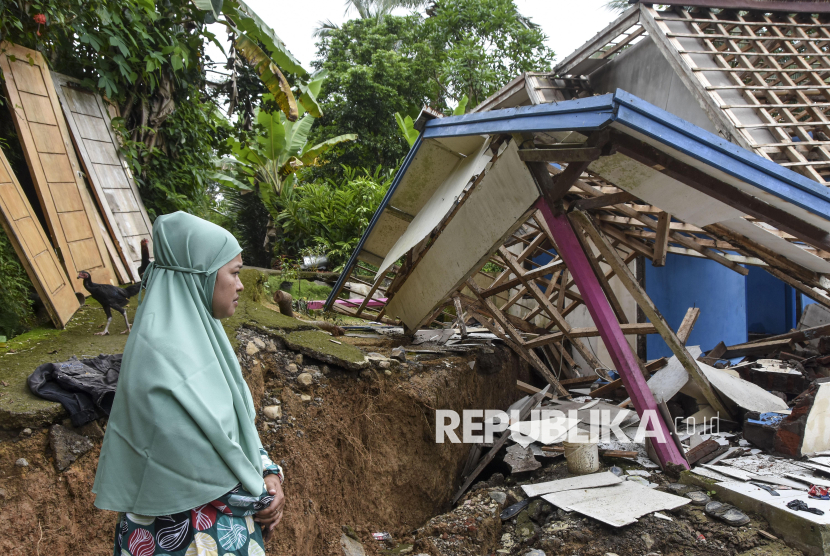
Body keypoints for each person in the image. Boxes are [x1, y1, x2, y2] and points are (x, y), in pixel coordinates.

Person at [93, 212, 285, 556]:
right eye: (235, 273)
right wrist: (261, 496)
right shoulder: (160, 359)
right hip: (181, 540)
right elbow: (194, 464)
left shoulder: (204, 341)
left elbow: (231, 434)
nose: (240, 285)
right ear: (200, 276)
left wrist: (270, 473)